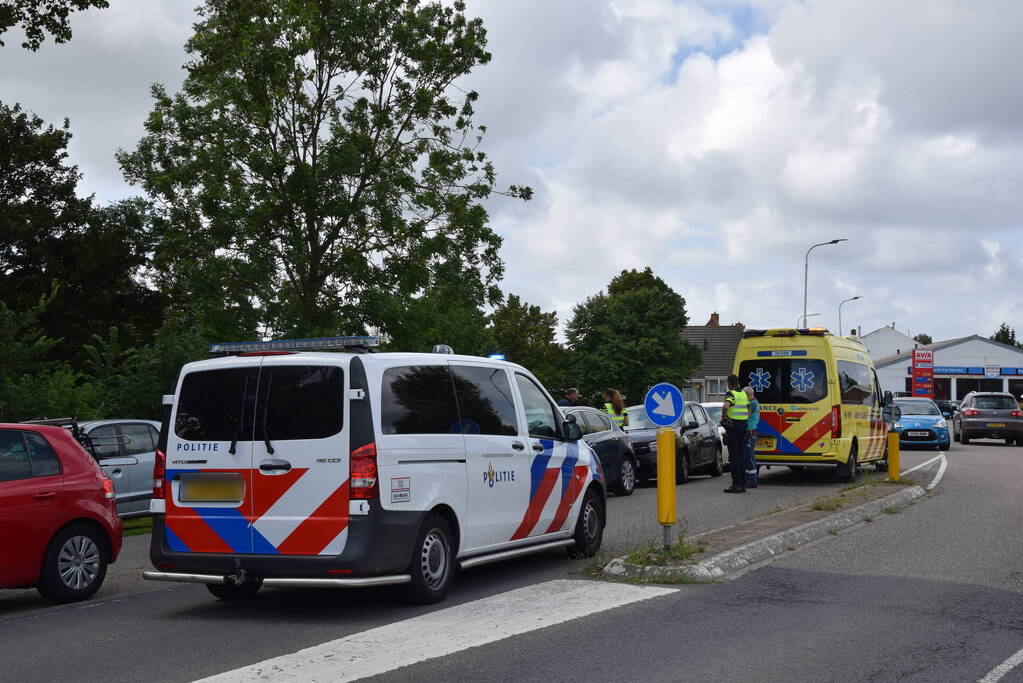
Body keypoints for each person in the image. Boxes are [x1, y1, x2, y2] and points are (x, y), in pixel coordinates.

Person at [721, 374, 750, 493]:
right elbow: (749, 409)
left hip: (734, 428)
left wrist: (724, 417)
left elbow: (726, 405)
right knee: (741, 456)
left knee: (734, 457)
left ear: (729, 384)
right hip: (743, 426)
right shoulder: (743, 394)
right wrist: (745, 419)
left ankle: (736, 485)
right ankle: (742, 484)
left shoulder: (731, 394)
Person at [743, 386, 760, 488]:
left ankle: (752, 480)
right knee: (749, 457)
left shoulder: (752, 403)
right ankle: (750, 478)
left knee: (749, 457)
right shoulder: (755, 402)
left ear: (747, 394)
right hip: (752, 433)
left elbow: (746, 416)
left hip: (749, 433)